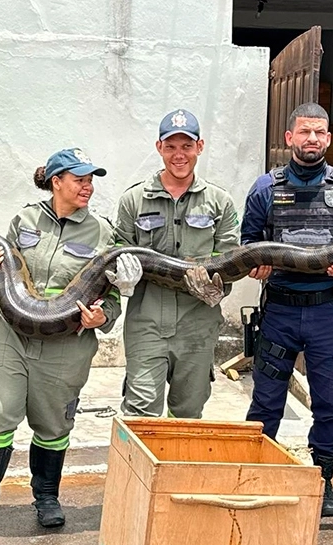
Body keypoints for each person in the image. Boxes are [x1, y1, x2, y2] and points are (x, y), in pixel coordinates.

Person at [0, 148, 140, 543]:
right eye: (79, 179)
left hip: (66, 344)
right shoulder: (24, 220)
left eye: (91, 180)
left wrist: (102, 317)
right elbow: (4, 275)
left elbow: (112, 300)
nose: (88, 186)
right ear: (57, 182)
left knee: (53, 423)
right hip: (14, 337)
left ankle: (47, 498)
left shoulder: (104, 234)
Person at [241, 102, 333, 517]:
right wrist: (256, 265)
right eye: (305, 132)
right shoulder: (266, 188)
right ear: (289, 138)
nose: (313, 139)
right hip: (279, 312)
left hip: (327, 314)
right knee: (266, 403)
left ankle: (321, 480)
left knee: (331, 402)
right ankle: (254, 475)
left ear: (328, 138)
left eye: (320, 132)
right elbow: (248, 244)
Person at [114, 109, 240, 419]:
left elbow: (230, 258)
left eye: (186, 146)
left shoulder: (219, 202)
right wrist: (121, 275)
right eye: (170, 146)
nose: (178, 155)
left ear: (200, 146)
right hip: (147, 322)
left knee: (188, 411)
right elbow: (117, 247)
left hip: (198, 321)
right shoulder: (134, 200)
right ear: (159, 148)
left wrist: (218, 287)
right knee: (140, 409)